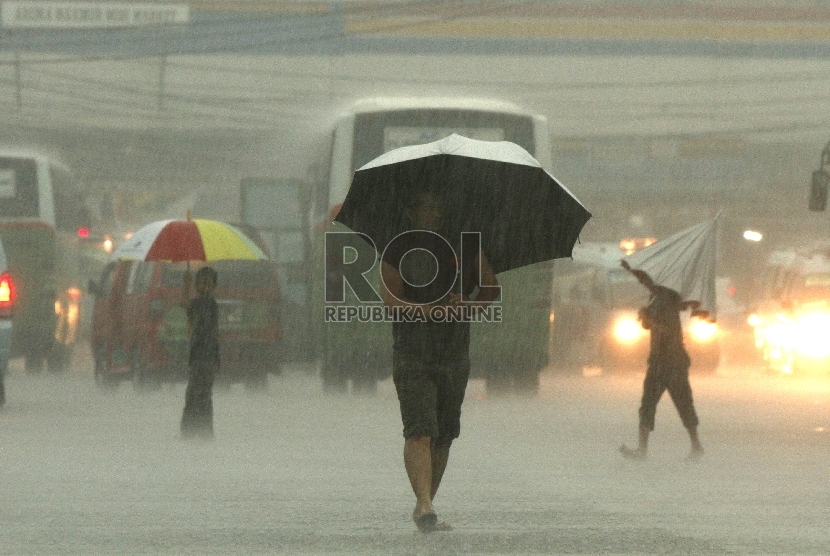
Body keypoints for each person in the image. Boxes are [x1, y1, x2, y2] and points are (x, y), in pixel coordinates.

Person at [380, 191, 500, 533]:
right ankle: (425, 503)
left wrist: (467, 305)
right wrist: (430, 310)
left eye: (437, 207)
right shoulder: (397, 249)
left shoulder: (465, 247)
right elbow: (391, 302)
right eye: (425, 206)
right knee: (419, 429)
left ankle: (425, 505)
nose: (432, 213)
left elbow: (491, 289)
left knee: (444, 434)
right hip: (412, 352)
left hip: (454, 354)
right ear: (409, 211)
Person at [619, 260, 704, 461]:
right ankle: (644, 450)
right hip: (661, 361)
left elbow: (667, 330)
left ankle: (695, 446)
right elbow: (651, 326)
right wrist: (646, 318)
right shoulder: (658, 298)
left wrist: (649, 319)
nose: (645, 282)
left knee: (682, 403)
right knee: (650, 404)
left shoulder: (667, 298)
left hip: (671, 361)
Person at [180, 265, 220, 440]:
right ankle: (197, 431)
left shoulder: (208, 304)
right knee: (197, 394)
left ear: (212, 286)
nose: (204, 286)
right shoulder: (203, 303)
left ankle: (198, 431)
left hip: (206, 356)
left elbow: (187, 305)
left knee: (200, 395)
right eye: (201, 283)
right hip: (200, 356)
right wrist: (187, 285)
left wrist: (187, 285)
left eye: (207, 283)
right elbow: (187, 307)